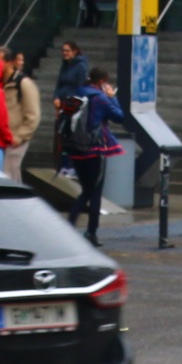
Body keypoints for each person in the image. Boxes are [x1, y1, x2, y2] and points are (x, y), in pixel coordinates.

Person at [61, 62, 125, 244]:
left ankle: (69, 226)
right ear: (102, 82)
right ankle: (91, 232)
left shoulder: (78, 93)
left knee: (86, 190)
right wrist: (112, 97)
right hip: (94, 149)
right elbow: (119, 117)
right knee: (94, 192)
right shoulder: (100, 98)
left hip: (75, 149)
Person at [2, 49, 46, 182]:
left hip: (14, 138)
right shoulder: (0, 83)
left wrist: (19, 137)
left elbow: (33, 115)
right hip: (3, 138)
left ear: (9, 63)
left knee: (9, 174)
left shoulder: (24, 83)